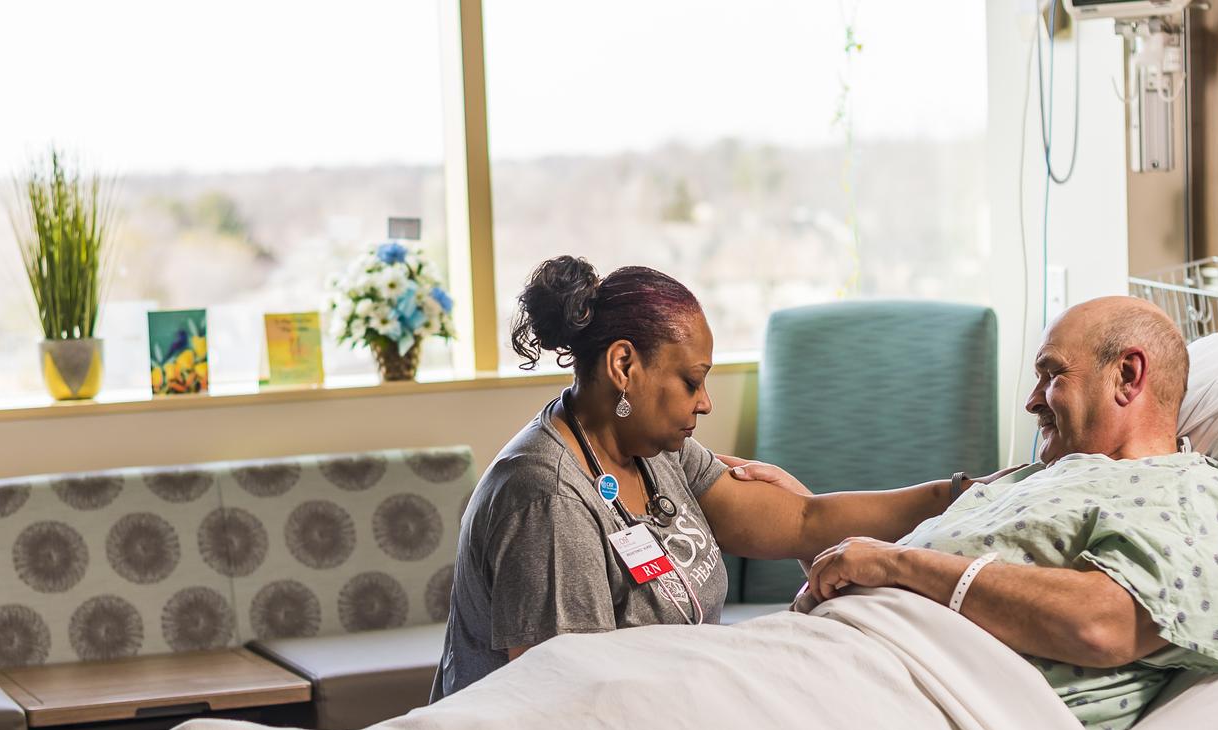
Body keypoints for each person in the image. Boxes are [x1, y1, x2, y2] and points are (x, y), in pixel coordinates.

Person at [431, 257, 1017, 700]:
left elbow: (803, 521)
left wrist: (960, 495)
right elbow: (573, 700)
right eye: (692, 381)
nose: (706, 403)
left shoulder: (656, 453)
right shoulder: (547, 497)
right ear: (623, 366)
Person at [794, 295, 1218, 730]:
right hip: (828, 664)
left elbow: (1101, 623)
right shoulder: (1042, 476)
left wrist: (898, 565)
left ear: (1127, 376)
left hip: (904, 711)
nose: (1033, 402)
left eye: (1052, 374)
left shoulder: (1180, 490)